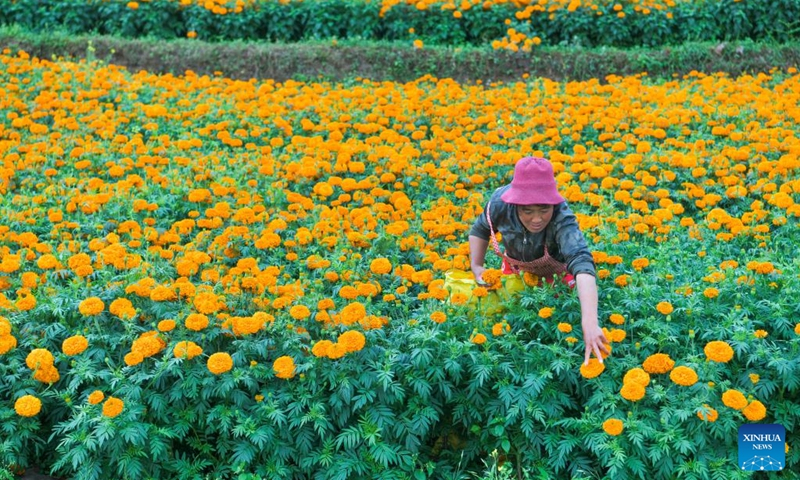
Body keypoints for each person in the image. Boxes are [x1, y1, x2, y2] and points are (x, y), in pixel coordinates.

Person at [468, 156, 609, 365]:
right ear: (515, 204)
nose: (537, 219)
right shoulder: (500, 203)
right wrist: (476, 265)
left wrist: (590, 321)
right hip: (516, 266)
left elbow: (582, 262)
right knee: (511, 315)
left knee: (559, 316)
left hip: (557, 272)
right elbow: (480, 229)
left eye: (544, 210)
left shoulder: (562, 216)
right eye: (527, 211)